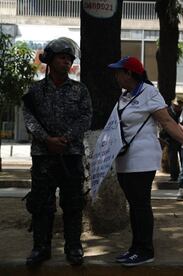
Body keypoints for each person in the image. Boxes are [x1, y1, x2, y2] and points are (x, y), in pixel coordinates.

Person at [107, 56, 183, 266]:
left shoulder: (149, 92)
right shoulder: (125, 96)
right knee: (134, 205)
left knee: (140, 205)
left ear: (129, 73)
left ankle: (145, 250)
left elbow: (166, 121)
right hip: (124, 159)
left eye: (118, 71)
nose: (115, 75)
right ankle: (135, 247)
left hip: (142, 158)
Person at [22, 37, 92, 266]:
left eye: (69, 59)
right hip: (43, 157)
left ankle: (73, 247)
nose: (66, 62)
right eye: (62, 58)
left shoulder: (80, 90)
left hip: (71, 155)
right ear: (50, 61)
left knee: (73, 204)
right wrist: (47, 140)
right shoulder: (35, 90)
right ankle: (41, 248)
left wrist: (66, 138)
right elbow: (29, 118)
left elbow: (85, 118)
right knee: (42, 204)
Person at [159, 96, 183, 181]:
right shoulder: (167, 112)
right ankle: (174, 176)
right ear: (172, 104)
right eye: (176, 106)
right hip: (170, 139)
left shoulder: (182, 112)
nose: (178, 108)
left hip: (181, 139)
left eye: (179, 106)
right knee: (172, 159)